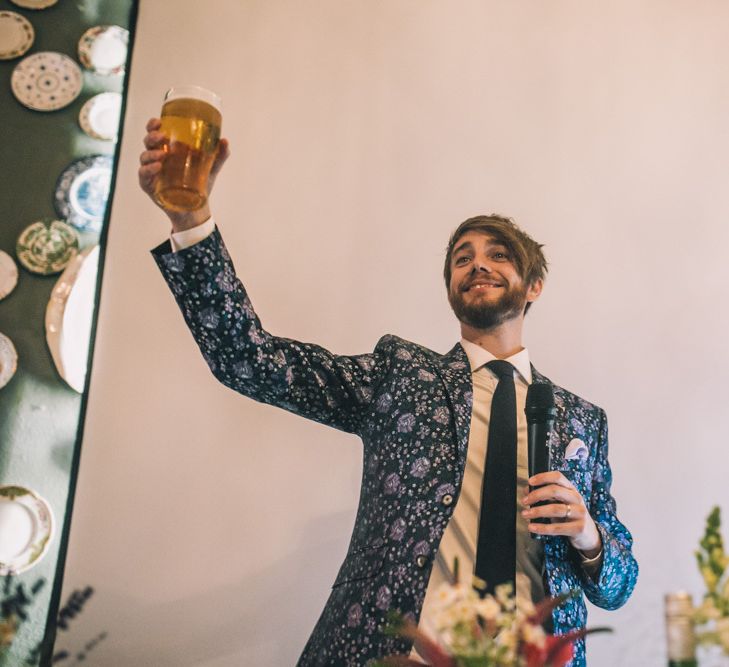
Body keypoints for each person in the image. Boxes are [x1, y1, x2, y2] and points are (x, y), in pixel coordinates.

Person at [138, 118, 637, 666]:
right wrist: (190, 219)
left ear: (534, 285)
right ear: (451, 286)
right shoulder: (399, 375)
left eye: (498, 254)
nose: (477, 264)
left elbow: (616, 586)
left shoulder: (581, 419)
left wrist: (588, 533)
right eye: (462, 258)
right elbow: (250, 360)